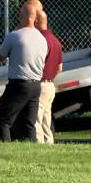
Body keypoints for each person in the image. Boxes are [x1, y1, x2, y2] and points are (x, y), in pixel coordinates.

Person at [0, 0, 48, 142]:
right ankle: (31, 151)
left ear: (21, 16)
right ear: (35, 18)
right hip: (36, 85)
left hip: (19, 83)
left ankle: (3, 149)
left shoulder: (15, 35)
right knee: (29, 124)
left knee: (4, 120)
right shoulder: (42, 39)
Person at [34, 9, 63, 144]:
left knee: (37, 117)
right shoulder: (56, 41)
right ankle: (49, 142)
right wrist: (50, 77)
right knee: (47, 118)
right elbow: (59, 67)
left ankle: (39, 144)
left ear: (36, 22)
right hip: (51, 84)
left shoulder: (40, 40)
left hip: (40, 83)